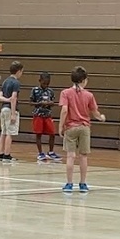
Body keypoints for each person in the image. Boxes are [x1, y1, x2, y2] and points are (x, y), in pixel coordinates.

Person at [60, 66, 105, 194]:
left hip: (71, 127)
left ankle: (69, 184)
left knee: (70, 156)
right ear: (84, 80)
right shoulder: (89, 95)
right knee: (83, 156)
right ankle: (83, 184)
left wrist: (61, 126)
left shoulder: (65, 93)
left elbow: (64, 110)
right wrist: (101, 118)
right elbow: (95, 112)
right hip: (84, 127)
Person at [0, 61, 24, 162]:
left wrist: (6, 100)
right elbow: (14, 98)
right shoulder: (16, 82)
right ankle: (7, 154)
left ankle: (0, 153)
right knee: (10, 132)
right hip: (10, 109)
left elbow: (0, 97)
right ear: (18, 71)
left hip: (3, 109)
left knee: (3, 132)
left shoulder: (5, 81)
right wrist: (13, 114)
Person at [31, 71, 60, 161]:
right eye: (44, 83)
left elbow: (53, 102)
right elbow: (31, 102)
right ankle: (40, 153)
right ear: (40, 81)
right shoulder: (35, 90)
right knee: (38, 134)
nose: (46, 85)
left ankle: (51, 152)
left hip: (47, 115)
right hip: (38, 115)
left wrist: (50, 103)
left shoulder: (50, 91)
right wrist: (39, 103)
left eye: (47, 84)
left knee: (52, 133)